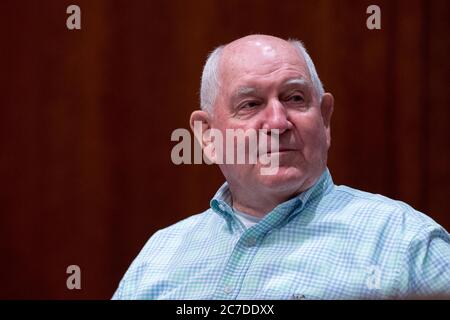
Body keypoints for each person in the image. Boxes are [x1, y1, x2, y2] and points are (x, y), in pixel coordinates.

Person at [112, 35, 450, 299]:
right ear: (208, 136)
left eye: (295, 98)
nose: (277, 121)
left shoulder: (406, 242)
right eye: (251, 104)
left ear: (325, 119)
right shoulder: (159, 255)